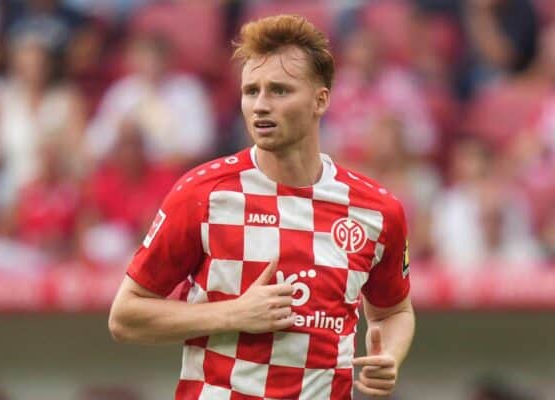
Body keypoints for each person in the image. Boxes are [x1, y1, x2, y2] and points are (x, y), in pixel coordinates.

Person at [109, 14, 415, 399]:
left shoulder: (376, 211)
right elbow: (125, 317)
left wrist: (389, 355)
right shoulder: (203, 194)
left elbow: (393, 312)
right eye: (251, 91)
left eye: (279, 91)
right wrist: (233, 313)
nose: (260, 106)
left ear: (320, 100)